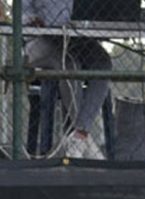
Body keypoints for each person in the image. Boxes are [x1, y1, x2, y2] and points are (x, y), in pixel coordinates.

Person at [22, 0, 113, 159]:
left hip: (76, 38)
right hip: (38, 40)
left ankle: (80, 134)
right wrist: (32, 20)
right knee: (69, 62)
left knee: (103, 62)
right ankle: (82, 138)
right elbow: (21, 14)